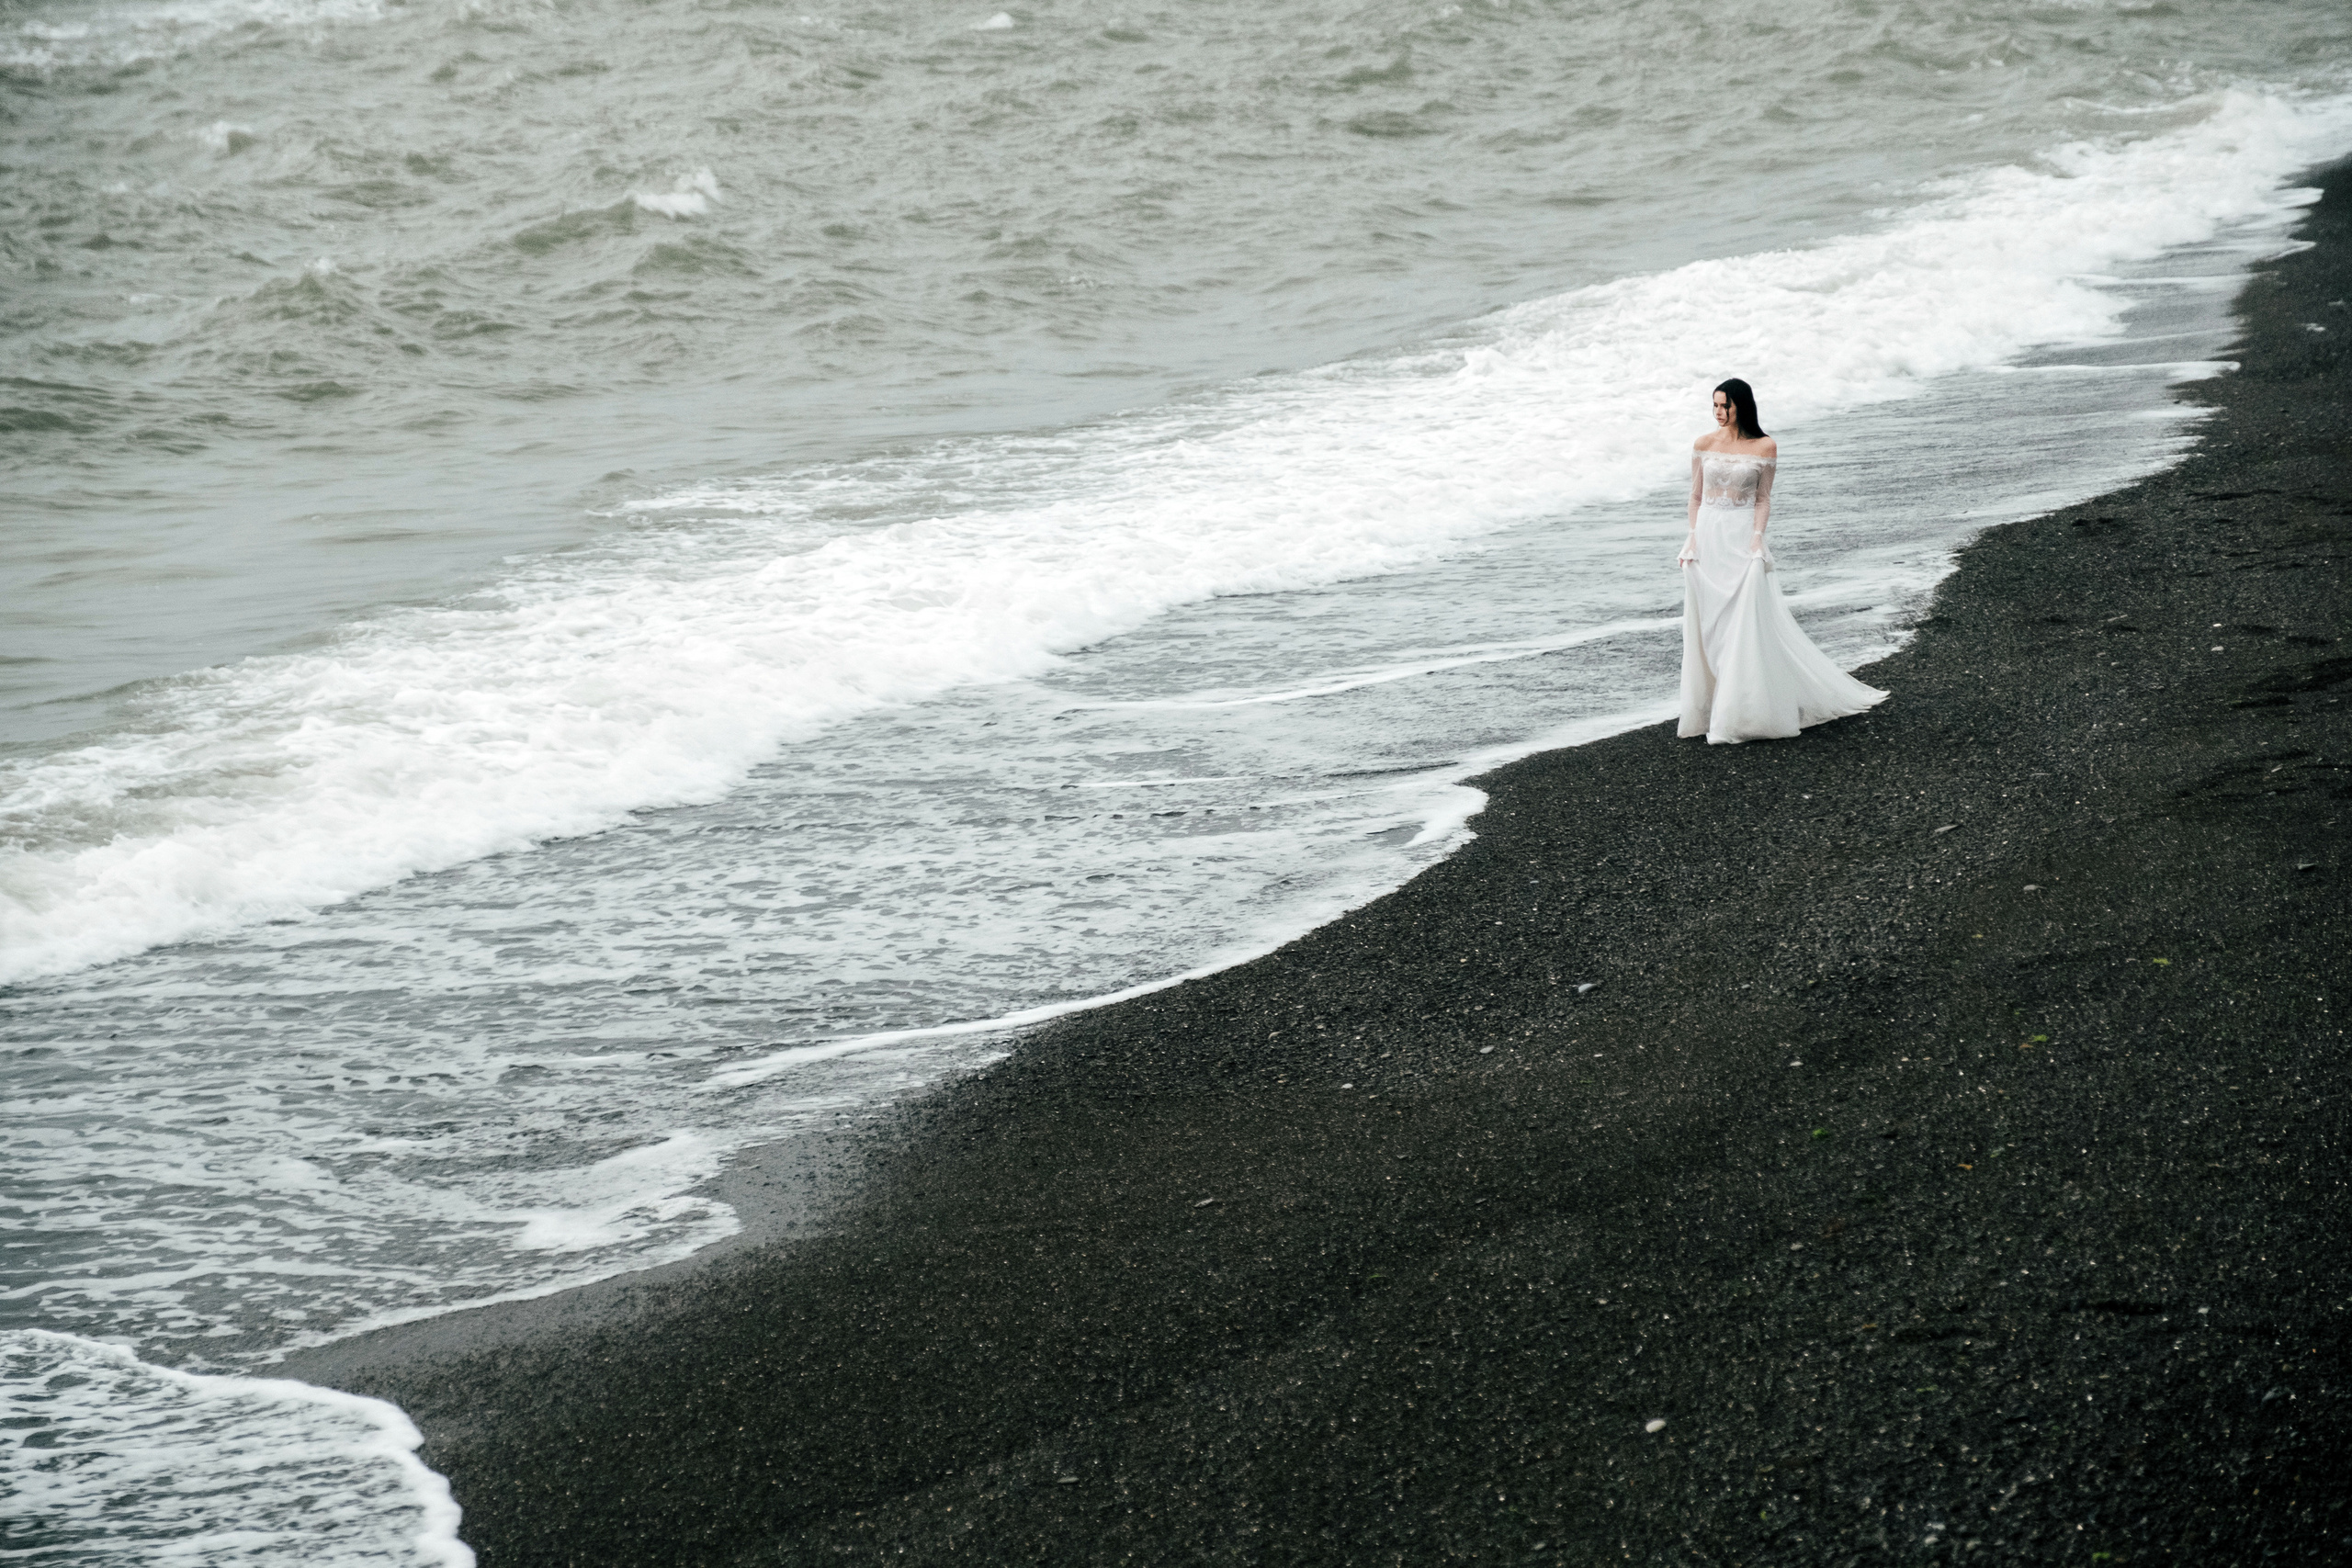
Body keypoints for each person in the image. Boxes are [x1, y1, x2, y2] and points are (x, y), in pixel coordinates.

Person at [1677, 378, 1886, 743]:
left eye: (1725, 406)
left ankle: (1740, 712)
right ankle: (1710, 705)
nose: (1719, 413)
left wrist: (1757, 540)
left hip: (1741, 539)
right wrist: (1691, 539)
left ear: (1742, 405)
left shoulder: (1765, 446)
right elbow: (1695, 497)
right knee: (1709, 625)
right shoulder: (1703, 444)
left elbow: (1762, 499)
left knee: (1743, 624)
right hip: (1707, 541)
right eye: (1714, 406)